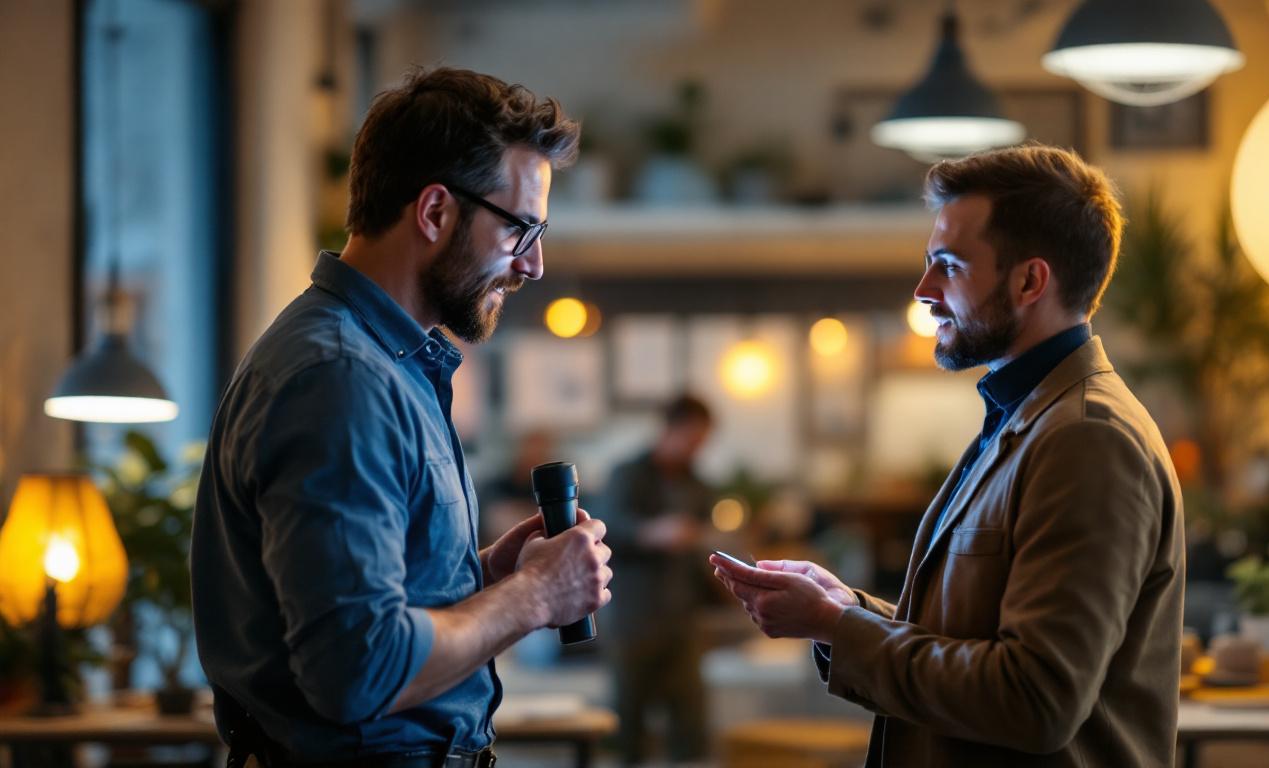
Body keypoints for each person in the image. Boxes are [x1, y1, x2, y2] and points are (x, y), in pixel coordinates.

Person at [191, 67, 612, 768]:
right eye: (521, 228)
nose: (533, 264)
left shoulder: (385, 363)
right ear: (436, 212)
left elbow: (368, 611)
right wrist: (536, 596)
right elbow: (359, 670)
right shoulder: (341, 379)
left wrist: (492, 579)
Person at [711, 145, 1185, 767]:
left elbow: (1035, 698)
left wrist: (836, 627)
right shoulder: (1029, 418)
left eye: (949, 266)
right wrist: (847, 608)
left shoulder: (1088, 439)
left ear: (1029, 281)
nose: (923, 290)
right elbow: (976, 639)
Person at [602, 394, 716, 766]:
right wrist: (652, 532)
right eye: (693, 438)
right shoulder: (627, 474)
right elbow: (606, 529)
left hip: (681, 617)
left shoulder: (698, 485)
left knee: (690, 725)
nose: (697, 448)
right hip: (633, 618)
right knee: (629, 725)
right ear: (671, 429)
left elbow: (701, 544)